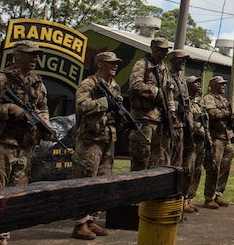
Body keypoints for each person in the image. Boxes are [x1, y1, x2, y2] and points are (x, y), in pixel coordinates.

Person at [0, 40, 51, 245]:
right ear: (17, 55)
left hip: (24, 147)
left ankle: (3, 236)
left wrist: (45, 124)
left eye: (37, 55)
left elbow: (42, 107)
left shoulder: (37, 82)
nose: (35, 59)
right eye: (30, 54)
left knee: (14, 195)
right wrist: (8, 110)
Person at [71, 51, 122, 240]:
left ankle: (92, 218)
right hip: (90, 139)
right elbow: (81, 106)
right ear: (100, 64)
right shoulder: (88, 84)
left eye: (116, 63)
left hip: (107, 139)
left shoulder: (114, 87)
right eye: (111, 63)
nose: (115, 66)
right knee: (85, 178)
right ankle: (80, 223)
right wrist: (104, 102)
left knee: (102, 181)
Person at [128, 37, 175, 170]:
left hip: (160, 118)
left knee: (156, 157)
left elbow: (168, 90)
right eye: (162, 50)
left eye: (167, 49)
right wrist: (156, 92)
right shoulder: (142, 64)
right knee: (141, 157)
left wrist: (171, 111)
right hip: (144, 118)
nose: (166, 52)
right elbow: (135, 85)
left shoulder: (164, 69)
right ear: (154, 49)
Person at [201, 75, 234, 209]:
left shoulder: (223, 100)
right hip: (215, 138)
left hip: (226, 137)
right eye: (221, 84)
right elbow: (212, 113)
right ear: (213, 85)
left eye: (224, 84)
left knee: (225, 167)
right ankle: (209, 197)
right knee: (213, 167)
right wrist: (226, 114)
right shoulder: (208, 98)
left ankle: (217, 194)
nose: (224, 86)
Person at [182, 75, 206, 213]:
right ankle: (182, 199)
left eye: (199, 82)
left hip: (200, 141)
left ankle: (189, 198)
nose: (198, 84)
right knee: (188, 170)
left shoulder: (199, 102)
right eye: (194, 82)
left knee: (197, 170)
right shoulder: (186, 101)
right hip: (190, 141)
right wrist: (197, 127)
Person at [167, 49, 191, 169]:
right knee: (166, 159)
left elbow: (186, 101)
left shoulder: (182, 81)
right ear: (173, 60)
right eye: (181, 60)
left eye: (185, 60)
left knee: (178, 159)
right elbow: (164, 97)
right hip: (168, 124)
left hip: (181, 124)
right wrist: (177, 105)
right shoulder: (166, 76)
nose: (184, 62)